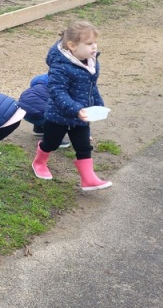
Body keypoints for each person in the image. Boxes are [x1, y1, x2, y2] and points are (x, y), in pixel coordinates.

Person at [31, 20, 111, 191]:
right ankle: (39, 162)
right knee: (51, 143)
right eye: (89, 43)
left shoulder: (92, 62)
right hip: (59, 116)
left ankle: (88, 179)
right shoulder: (60, 66)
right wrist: (75, 109)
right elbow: (57, 92)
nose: (94, 47)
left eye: (95, 42)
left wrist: (98, 104)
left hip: (81, 115)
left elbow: (91, 87)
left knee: (84, 146)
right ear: (72, 46)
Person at [17, 73, 71, 148]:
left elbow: (33, 83)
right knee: (62, 114)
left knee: (39, 103)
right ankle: (54, 139)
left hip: (22, 110)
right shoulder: (68, 84)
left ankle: (38, 129)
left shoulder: (45, 77)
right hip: (39, 114)